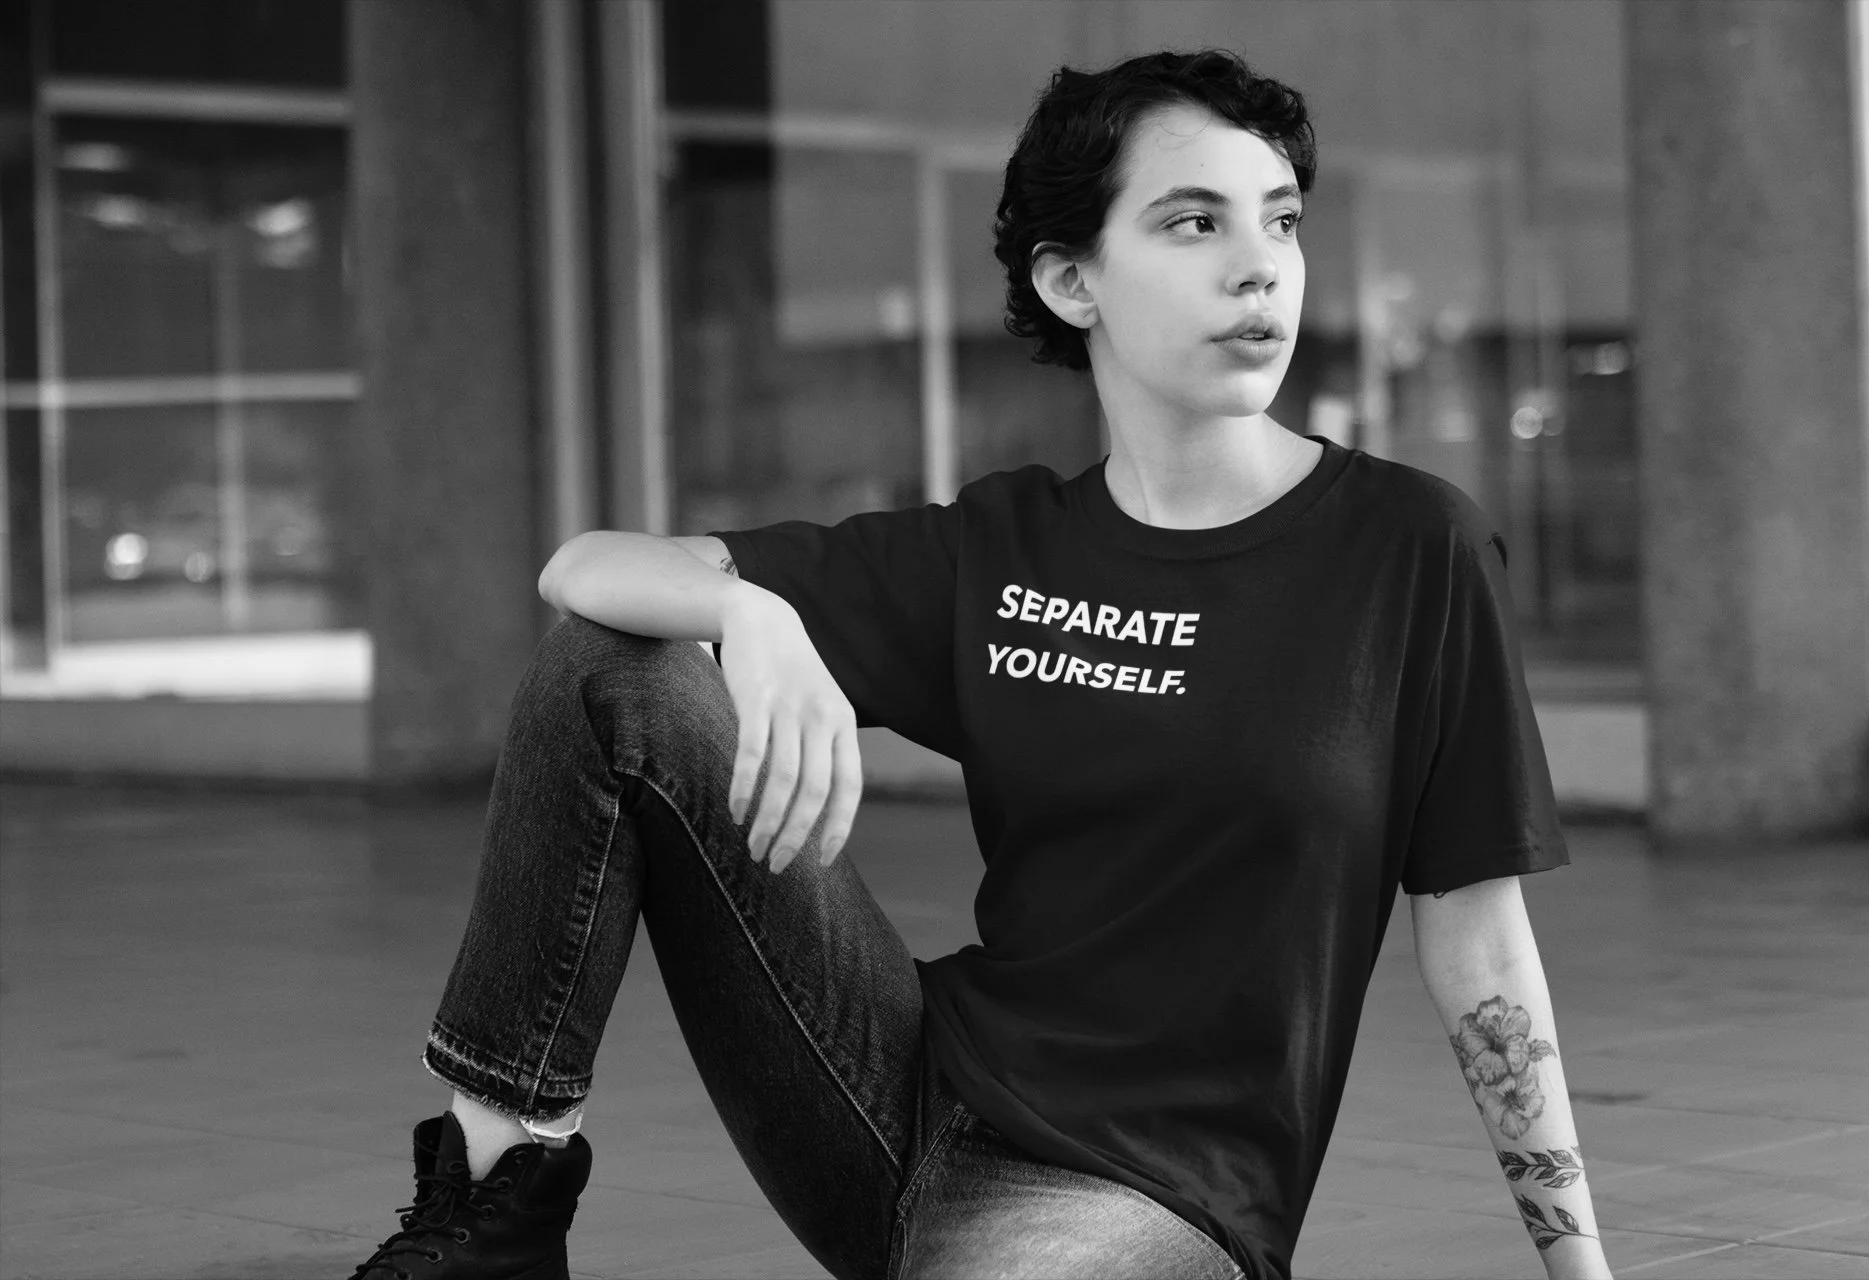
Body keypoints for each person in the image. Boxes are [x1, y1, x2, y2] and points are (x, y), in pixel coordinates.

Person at [353, 48, 1612, 1280]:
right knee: (620, 673)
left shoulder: (1409, 546)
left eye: (1278, 222)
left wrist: (1581, 1268)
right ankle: (496, 1208)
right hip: (894, 1090)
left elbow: (1484, 943)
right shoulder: (1005, 547)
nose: (1258, 267)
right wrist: (752, 618)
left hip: (1149, 1189)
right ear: (1073, 281)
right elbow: (586, 569)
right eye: (1192, 223)